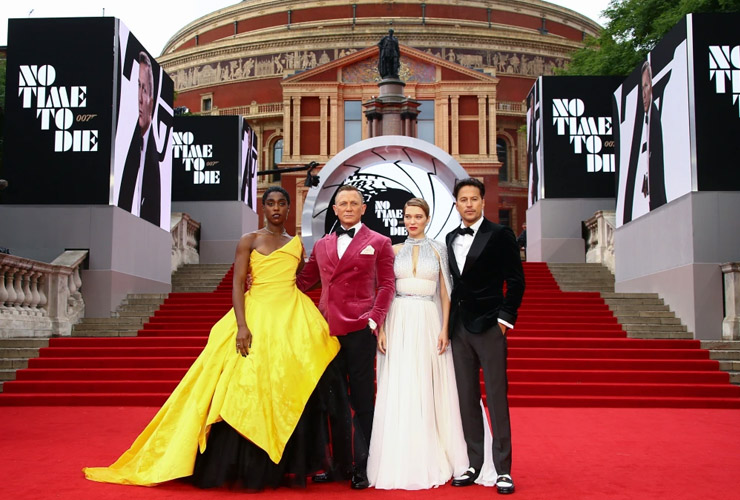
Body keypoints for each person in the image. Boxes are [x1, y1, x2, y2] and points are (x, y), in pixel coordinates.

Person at [84, 186, 348, 490]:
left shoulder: (297, 245)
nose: (276, 208)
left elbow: (300, 278)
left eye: (281, 203)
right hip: (256, 314)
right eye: (271, 203)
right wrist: (241, 326)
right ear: (263, 208)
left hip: (292, 319)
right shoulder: (248, 240)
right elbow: (237, 285)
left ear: (289, 209)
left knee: (287, 385)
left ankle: (284, 461)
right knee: (242, 386)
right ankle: (241, 460)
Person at [367, 198, 497, 490]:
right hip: (398, 319)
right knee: (401, 386)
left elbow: (446, 292)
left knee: (429, 383)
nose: (412, 221)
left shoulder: (439, 248)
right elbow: (384, 289)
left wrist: (444, 329)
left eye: (417, 216)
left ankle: (443, 451)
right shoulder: (392, 250)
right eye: (407, 216)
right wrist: (383, 328)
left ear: (427, 218)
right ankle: (401, 456)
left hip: (428, 319)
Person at [296, 184, 396, 489]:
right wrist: (266, 279)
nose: (349, 207)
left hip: (360, 331)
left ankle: (363, 465)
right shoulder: (323, 245)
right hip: (327, 333)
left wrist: (374, 319)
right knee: (332, 400)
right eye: (343, 203)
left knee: (363, 399)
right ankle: (338, 465)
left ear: (363, 208)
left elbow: (388, 284)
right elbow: (303, 281)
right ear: (335, 209)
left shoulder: (379, 242)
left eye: (355, 203)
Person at [446, 178, 525, 495]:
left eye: (473, 199)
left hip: (491, 326)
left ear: (482, 202)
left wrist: (504, 320)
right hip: (459, 329)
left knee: (496, 397)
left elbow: (516, 281)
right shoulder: (451, 237)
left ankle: (503, 469)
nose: (468, 204)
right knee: (466, 399)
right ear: (456, 204)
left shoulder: (501, 234)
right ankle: (474, 464)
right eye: (463, 199)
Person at [118, 51, 161, 226]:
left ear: (151, 100)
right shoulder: (123, 150)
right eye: (137, 86)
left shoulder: (154, 162)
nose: (139, 98)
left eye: (145, 89)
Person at [622, 60, 667, 224]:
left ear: (652, 87)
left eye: (646, 86)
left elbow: (657, 162)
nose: (643, 93)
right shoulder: (646, 120)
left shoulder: (654, 118)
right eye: (642, 88)